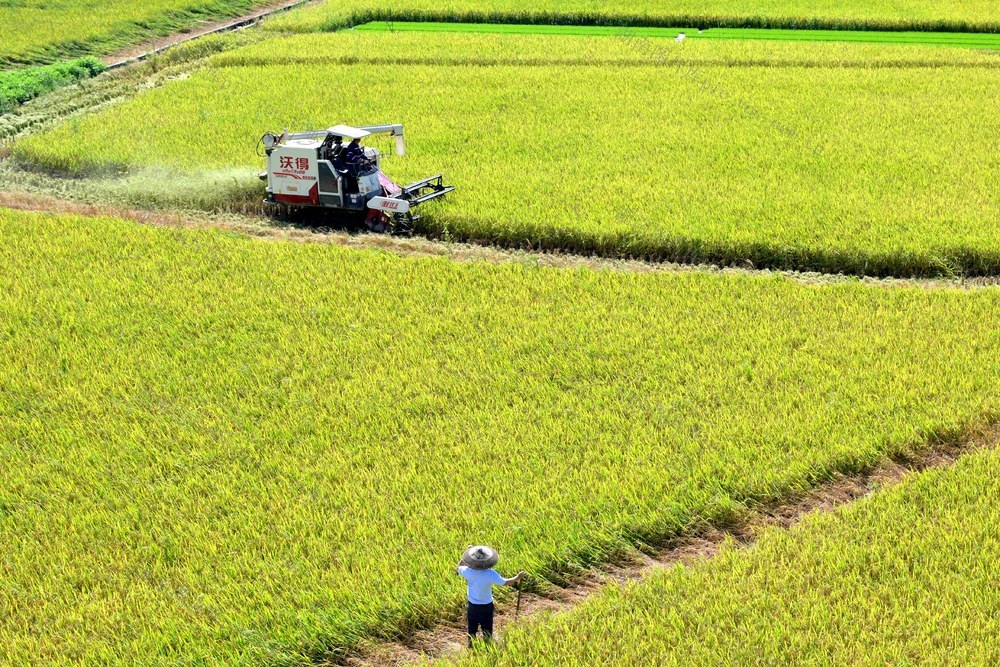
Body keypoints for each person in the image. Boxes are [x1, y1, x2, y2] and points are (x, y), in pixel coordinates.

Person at [456, 545, 526, 646]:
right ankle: (488, 646)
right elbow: (505, 582)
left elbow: (458, 568)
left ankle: (471, 646)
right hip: (486, 606)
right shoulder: (491, 574)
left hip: (472, 606)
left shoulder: (468, 572)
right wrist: (517, 577)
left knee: (472, 628)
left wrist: (465, 555)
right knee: (487, 628)